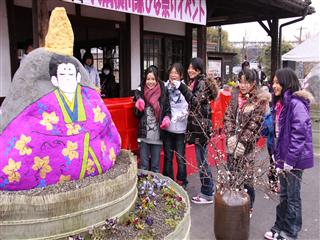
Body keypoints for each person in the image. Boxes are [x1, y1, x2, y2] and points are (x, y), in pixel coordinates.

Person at [264, 68, 314, 240]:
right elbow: (279, 134)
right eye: (273, 82)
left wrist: (290, 160)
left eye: (278, 82)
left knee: (292, 196)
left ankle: (290, 232)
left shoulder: (296, 103)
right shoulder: (280, 103)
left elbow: (299, 133)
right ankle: (279, 227)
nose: (274, 85)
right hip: (285, 157)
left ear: (287, 83)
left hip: (295, 159)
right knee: (284, 195)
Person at [173, 57, 218, 204]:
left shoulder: (202, 83)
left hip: (201, 128)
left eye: (193, 68)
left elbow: (195, 102)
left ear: (198, 70)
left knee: (202, 161)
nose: (189, 70)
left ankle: (207, 193)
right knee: (202, 160)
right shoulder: (197, 82)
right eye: (189, 67)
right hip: (199, 127)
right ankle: (209, 188)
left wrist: (181, 87)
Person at [224, 68, 269, 215]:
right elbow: (228, 116)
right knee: (232, 175)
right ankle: (234, 204)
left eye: (246, 82)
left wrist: (242, 142)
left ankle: (248, 207)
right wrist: (231, 135)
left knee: (247, 179)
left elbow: (255, 124)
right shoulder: (235, 95)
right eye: (241, 81)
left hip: (247, 147)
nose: (243, 85)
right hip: (232, 144)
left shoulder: (259, 100)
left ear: (254, 83)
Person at [134, 66, 171, 173]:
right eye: (148, 79)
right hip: (144, 134)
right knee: (143, 165)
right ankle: (143, 187)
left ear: (157, 79)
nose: (150, 82)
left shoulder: (163, 92)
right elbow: (136, 115)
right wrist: (138, 106)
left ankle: (155, 188)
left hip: (157, 135)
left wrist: (167, 118)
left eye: (153, 79)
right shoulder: (140, 93)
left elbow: (168, 109)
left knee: (155, 166)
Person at [163, 63, 188, 188]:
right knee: (168, 156)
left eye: (176, 73)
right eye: (171, 72)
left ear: (181, 75)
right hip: (167, 128)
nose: (173, 75)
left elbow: (188, 106)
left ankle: (182, 180)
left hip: (180, 129)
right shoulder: (165, 86)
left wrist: (179, 117)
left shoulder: (184, 88)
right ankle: (169, 180)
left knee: (180, 157)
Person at [260, 86, 278, 193]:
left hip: (279, 141)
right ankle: (273, 182)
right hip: (272, 142)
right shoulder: (269, 107)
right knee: (273, 162)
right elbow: (265, 131)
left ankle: (276, 182)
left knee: (276, 162)